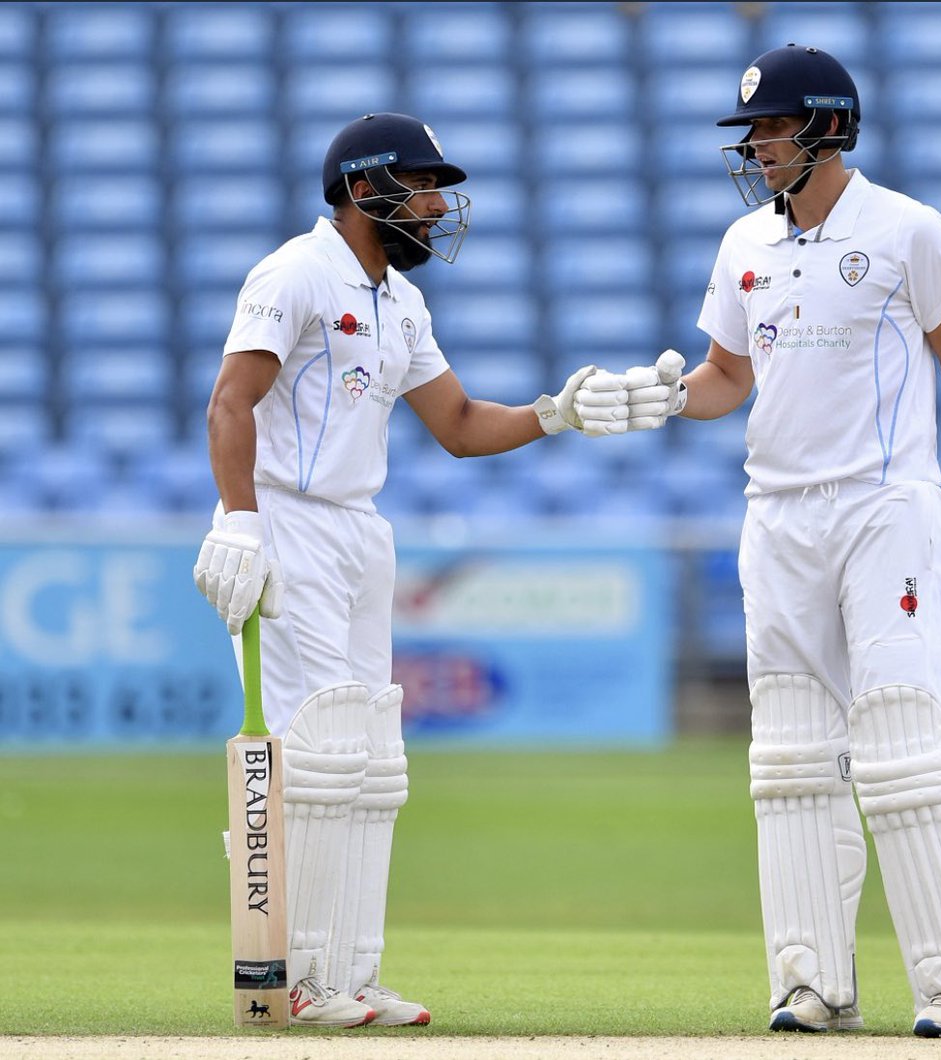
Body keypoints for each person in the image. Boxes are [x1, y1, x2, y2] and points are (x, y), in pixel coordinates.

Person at [599, 45, 941, 1038]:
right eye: (752, 131)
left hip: (885, 508)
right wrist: (664, 396)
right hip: (778, 518)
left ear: (829, 128)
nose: (757, 146)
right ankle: (813, 984)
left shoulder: (907, 230)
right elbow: (726, 377)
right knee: (791, 758)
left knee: (899, 746)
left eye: (773, 128)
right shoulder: (741, 246)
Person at [192, 112, 628, 1029]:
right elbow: (231, 400)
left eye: (438, 190)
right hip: (287, 527)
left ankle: (350, 970)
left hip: (359, 532)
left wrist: (558, 412)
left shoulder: (401, 300)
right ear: (363, 189)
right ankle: (293, 976)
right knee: (312, 757)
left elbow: (462, 425)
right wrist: (241, 523)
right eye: (422, 187)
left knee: (369, 763)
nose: (436, 206)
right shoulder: (296, 272)